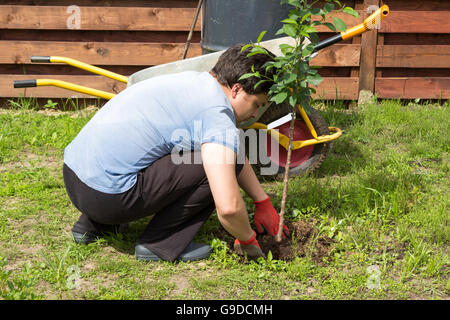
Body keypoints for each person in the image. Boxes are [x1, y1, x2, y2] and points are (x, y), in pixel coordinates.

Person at [62, 44, 289, 262]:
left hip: (75, 179)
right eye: (257, 104)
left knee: (210, 152)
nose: (255, 113)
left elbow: (234, 147)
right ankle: (160, 243)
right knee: (216, 166)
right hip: (108, 198)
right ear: (237, 89)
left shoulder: (194, 82)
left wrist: (262, 201)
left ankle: (92, 226)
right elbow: (229, 208)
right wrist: (248, 239)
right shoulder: (216, 115)